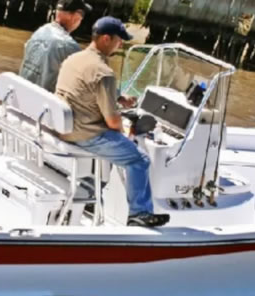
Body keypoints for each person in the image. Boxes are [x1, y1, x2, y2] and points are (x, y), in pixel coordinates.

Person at [55, 16, 170, 228]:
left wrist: (117, 98)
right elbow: (112, 120)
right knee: (139, 160)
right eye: (119, 40)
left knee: (120, 146)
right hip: (85, 134)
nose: (121, 45)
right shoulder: (104, 72)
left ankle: (92, 191)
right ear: (106, 39)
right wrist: (125, 131)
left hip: (64, 127)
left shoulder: (74, 59)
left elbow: (84, 88)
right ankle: (140, 213)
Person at [18, 0, 91, 92]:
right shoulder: (69, 45)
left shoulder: (39, 32)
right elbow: (89, 80)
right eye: (82, 14)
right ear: (76, 16)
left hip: (21, 94)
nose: (81, 19)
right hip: (43, 102)